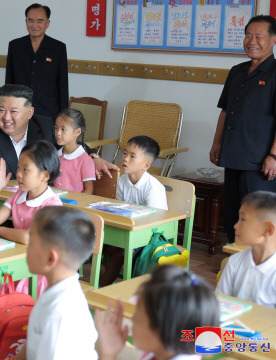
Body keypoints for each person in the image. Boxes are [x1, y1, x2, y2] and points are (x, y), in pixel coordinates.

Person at [209, 15, 276, 243]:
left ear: (273, 40)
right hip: (233, 154)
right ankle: (233, 260)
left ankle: (258, 268)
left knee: (257, 216)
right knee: (233, 213)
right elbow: (225, 111)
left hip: (259, 160)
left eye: (259, 36)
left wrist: (274, 155)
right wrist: (217, 143)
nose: (251, 41)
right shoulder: (237, 71)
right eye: (248, 35)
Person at [0, 84, 119, 182]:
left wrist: (93, 157)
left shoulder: (44, 126)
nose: (6, 117)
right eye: (1, 110)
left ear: (30, 112)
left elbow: (72, 146)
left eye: (13, 111)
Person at [14, 206, 98, 359]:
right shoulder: (56, 289)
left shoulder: (59, 315)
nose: (27, 248)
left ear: (51, 258)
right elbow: (31, 346)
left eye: (31, 242)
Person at [95, 265, 220, 360]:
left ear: (163, 329)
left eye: (137, 315)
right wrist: (109, 353)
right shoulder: (164, 352)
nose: (132, 320)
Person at [100, 135, 167, 287]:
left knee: (120, 254)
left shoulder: (153, 188)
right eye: (124, 153)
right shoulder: (122, 180)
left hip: (149, 237)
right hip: (127, 232)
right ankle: (89, 285)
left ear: (146, 165)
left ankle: (100, 290)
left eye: (132, 156)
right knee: (96, 243)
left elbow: (156, 222)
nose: (125, 159)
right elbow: (118, 209)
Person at [0, 140, 62, 244]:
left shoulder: (52, 205)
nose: (19, 174)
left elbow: (28, 237)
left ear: (45, 175)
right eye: (18, 168)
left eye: (25, 169)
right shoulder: (19, 196)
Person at [5, 3, 68, 120]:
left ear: (47, 23)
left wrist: (63, 115)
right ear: (26, 22)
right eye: (30, 20)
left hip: (48, 112)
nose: (34, 25)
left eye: (39, 21)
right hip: (19, 110)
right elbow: (9, 81)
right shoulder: (15, 46)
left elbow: (63, 84)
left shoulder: (58, 48)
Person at [216, 191, 276, 307]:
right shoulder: (234, 262)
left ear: (267, 229)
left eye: (243, 220)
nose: (235, 226)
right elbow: (220, 306)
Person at [53, 109, 96, 193]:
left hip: (74, 205)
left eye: (63, 129)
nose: (58, 133)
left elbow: (89, 190)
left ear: (77, 132)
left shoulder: (85, 160)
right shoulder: (55, 156)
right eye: (56, 128)